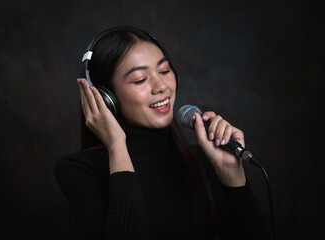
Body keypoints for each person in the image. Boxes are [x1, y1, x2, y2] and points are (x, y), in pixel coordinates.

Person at [54, 26, 270, 240]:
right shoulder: (78, 170)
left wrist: (230, 172)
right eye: (140, 79)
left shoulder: (204, 161)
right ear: (105, 97)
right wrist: (117, 147)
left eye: (165, 71)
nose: (161, 87)